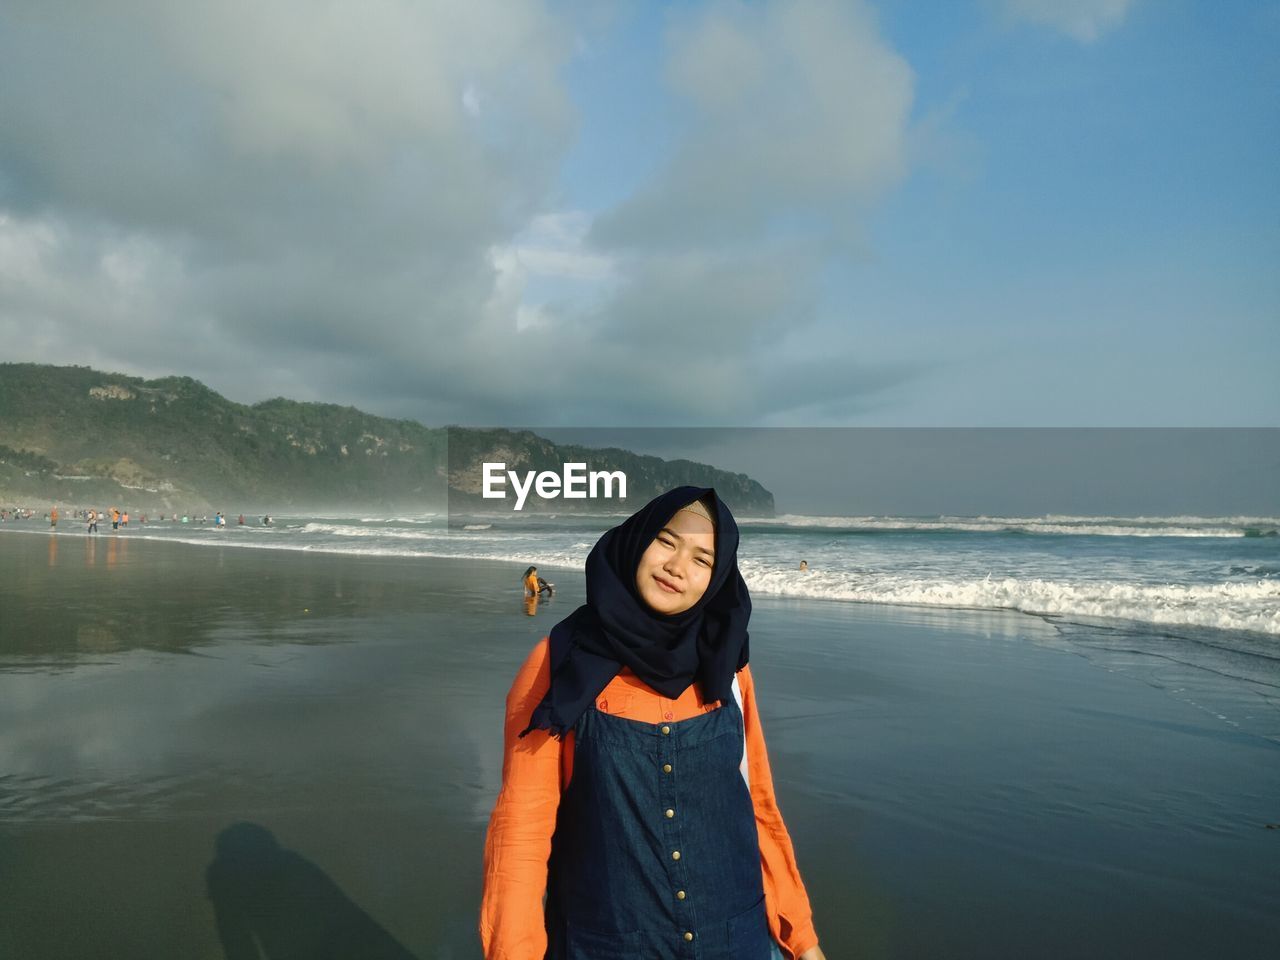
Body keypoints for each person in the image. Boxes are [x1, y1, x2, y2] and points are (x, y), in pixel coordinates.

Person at [481, 487, 825, 960]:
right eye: (666, 541)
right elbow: (522, 828)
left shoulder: (729, 671)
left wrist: (800, 937)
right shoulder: (559, 665)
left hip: (735, 941)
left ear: (718, 577)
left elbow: (758, 809)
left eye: (703, 559)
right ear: (636, 539)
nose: (677, 566)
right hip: (604, 944)